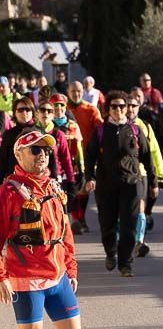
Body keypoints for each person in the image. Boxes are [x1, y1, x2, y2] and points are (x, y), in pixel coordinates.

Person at [2, 129, 82, 329]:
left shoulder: (52, 186)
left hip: (57, 274)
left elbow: (65, 230)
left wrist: (71, 267)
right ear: (18, 155)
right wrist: (1, 276)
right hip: (24, 277)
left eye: (46, 150)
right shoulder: (9, 192)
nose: (42, 155)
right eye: (34, 150)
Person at [84, 91, 153, 277]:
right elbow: (89, 156)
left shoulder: (135, 130)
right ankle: (110, 252)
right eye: (114, 107)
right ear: (108, 110)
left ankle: (125, 264)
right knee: (107, 224)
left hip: (131, 185)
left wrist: (153, 182)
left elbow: (147, 157)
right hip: (106, 186)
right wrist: (89, 177)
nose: (119, 110)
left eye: (122, 106)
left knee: (129, 225)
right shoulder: (99, 131)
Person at [123, 91, 163, 257]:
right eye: (127, 106)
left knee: (140, 207)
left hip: (141, 173)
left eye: (134, 106)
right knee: (124, 210)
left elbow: (154, 152)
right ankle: (124, 240)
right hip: (122, 174)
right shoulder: (117, 126)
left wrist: (160, 176)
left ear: (139, 107)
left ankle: (139, 242)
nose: (130, 109)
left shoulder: (145, 127)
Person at [66, 81, 102, 234]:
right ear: (68, 91)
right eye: (73, 91)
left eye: (79, 91)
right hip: (68, 155)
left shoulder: (90, 109)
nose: (76, 94)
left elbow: (100, 130)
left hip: (86, 155)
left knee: (85, 188)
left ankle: (81, 217)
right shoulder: (63, 109)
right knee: (73, 188)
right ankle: (76, 219)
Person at [0, 96, 40, 174]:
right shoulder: (9, 134)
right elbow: (3, 160)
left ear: (32, 111)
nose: (24, 113)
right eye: (20, 110)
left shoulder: (39, 133)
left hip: (35, 178)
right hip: (14, 179)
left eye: (27, 109)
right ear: (15, 113)